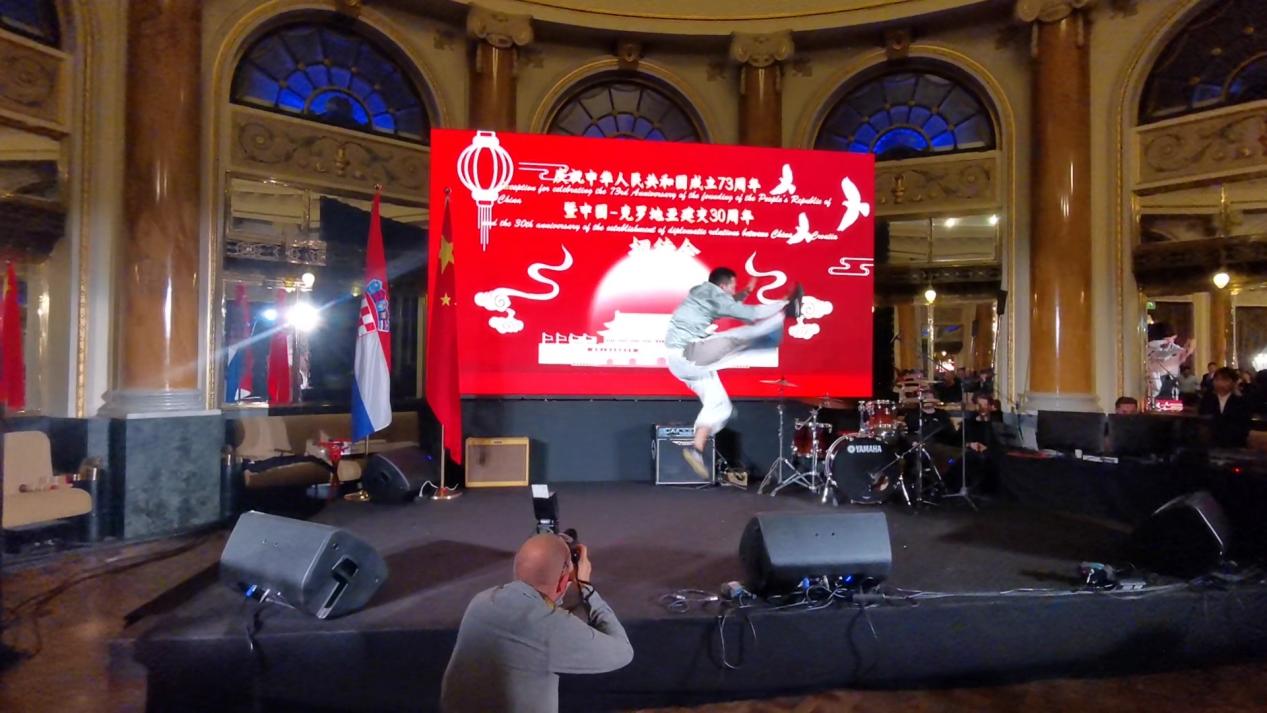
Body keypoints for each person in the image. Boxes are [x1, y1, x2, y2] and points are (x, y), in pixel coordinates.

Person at [441, 534, 633, 713]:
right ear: (563, 581)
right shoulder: (549, 628)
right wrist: (586, 587)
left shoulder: (482, 601)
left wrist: (559, 572)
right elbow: (623, 651)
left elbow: (542, 611)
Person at [665, 267, 797, 477]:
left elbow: (727, 304)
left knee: (720, 405)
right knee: (744, 335)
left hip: (682, 364)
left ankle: (695, 450)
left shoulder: (703, 294)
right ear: (723, 285)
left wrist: (745, 292)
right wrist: (783, 303)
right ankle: (785, 313)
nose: (734, 290)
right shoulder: (711, 294)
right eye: (733, 286)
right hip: (689, 354)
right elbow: (751, 313)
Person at [1198, 367, 1252, 449]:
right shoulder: (1208, 398)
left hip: (1234, 444)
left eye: (1224, 380)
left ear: (1233, 382)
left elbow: (1244, 425)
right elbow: (1203, 417)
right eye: (1217, 380)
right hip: (1211, 443)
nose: (1220, 383)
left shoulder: (1241, 401)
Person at [1145, 322, 1194, 400]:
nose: (1173, 342)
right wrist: (1165, 342)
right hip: (1155, 379)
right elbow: (1161, 355)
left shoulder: (1172, 347)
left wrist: (1186, 351)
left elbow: (1181, 352)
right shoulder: (1151, 347)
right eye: (1172, 339)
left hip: (1169, 381)